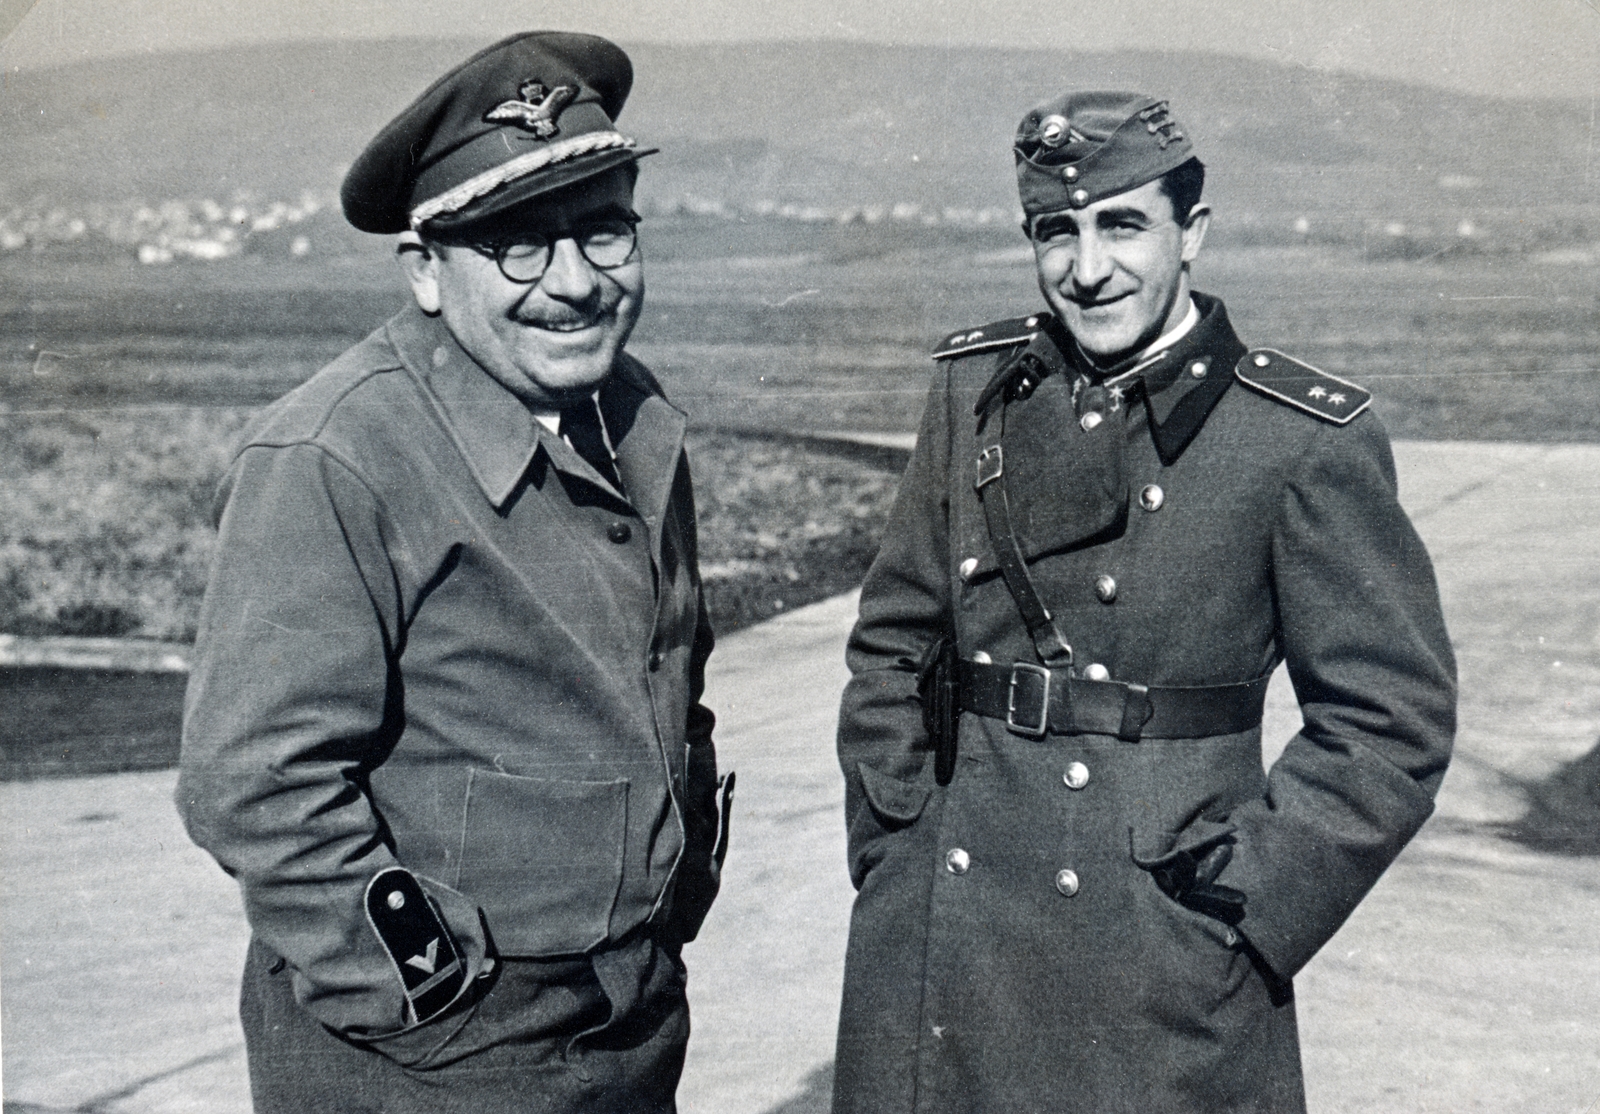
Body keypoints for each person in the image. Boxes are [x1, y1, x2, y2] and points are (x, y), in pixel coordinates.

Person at [831, 91, 1456, 1113]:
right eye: (1056, 231)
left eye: (1122, 224)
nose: (1087, 268)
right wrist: (895, 840)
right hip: (945, 928)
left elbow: (1390, 722)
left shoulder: (1294, 439)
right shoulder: (973, 391)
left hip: (1158, 956)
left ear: (1191, 234)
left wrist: (1241, 909)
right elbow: (894, 641)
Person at [177, 32, 731, 1114]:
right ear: (428, 273)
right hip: (437, 1053)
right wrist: (427, 996)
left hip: (628, 1012)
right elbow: (252, 782)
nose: (573, 284)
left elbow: (671, 676)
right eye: (517, 246)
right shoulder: (338, 453)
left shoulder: (630, 412)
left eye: (603, 231)